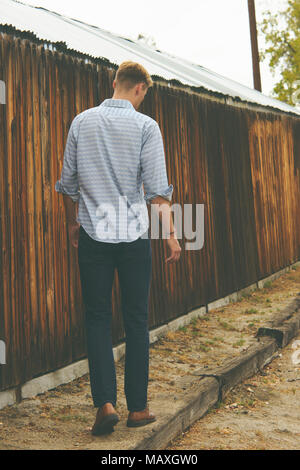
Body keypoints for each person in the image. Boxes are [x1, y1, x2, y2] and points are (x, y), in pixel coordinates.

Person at [55, 61, 181, 436]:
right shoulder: (146, 126)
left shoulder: (81, 121)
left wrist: (76, 222)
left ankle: (105, 403)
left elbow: (68, 182)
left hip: (94, 234)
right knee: (136, 320)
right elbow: (157, 190)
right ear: (141, 88)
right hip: (133, 238)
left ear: (115, 83)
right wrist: (172, 236)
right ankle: (138, 409)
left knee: (96, 318)